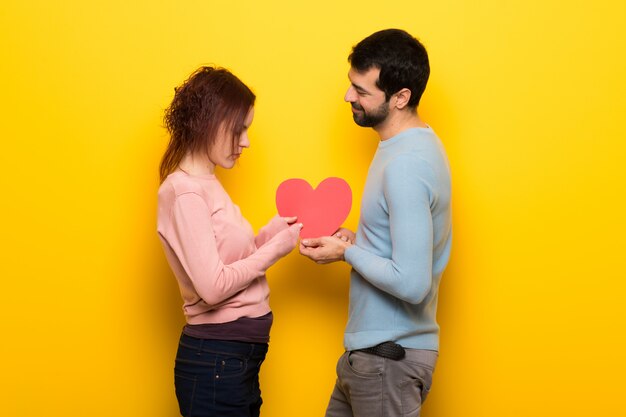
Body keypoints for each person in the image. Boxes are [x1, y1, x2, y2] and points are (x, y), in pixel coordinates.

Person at [299, 29, 452, 417]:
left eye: (362, 91)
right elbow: (399, 251)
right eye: (351, 84)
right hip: (371, 359)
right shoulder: (404, 148)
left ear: (401, 97)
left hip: (388, 361)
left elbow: (413, 283)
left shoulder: (406, 163)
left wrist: (348, 252)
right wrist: (358, 242)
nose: (349, 97)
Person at [157, 66, 302, 417]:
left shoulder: (207, 182)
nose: (246, 141)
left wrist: (271, 233)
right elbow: (213, 286)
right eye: (239, 129)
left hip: (233, 361)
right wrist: (274, 251)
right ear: (207, 122)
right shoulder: (185, 192)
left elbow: (227, 258)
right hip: (216, 363)